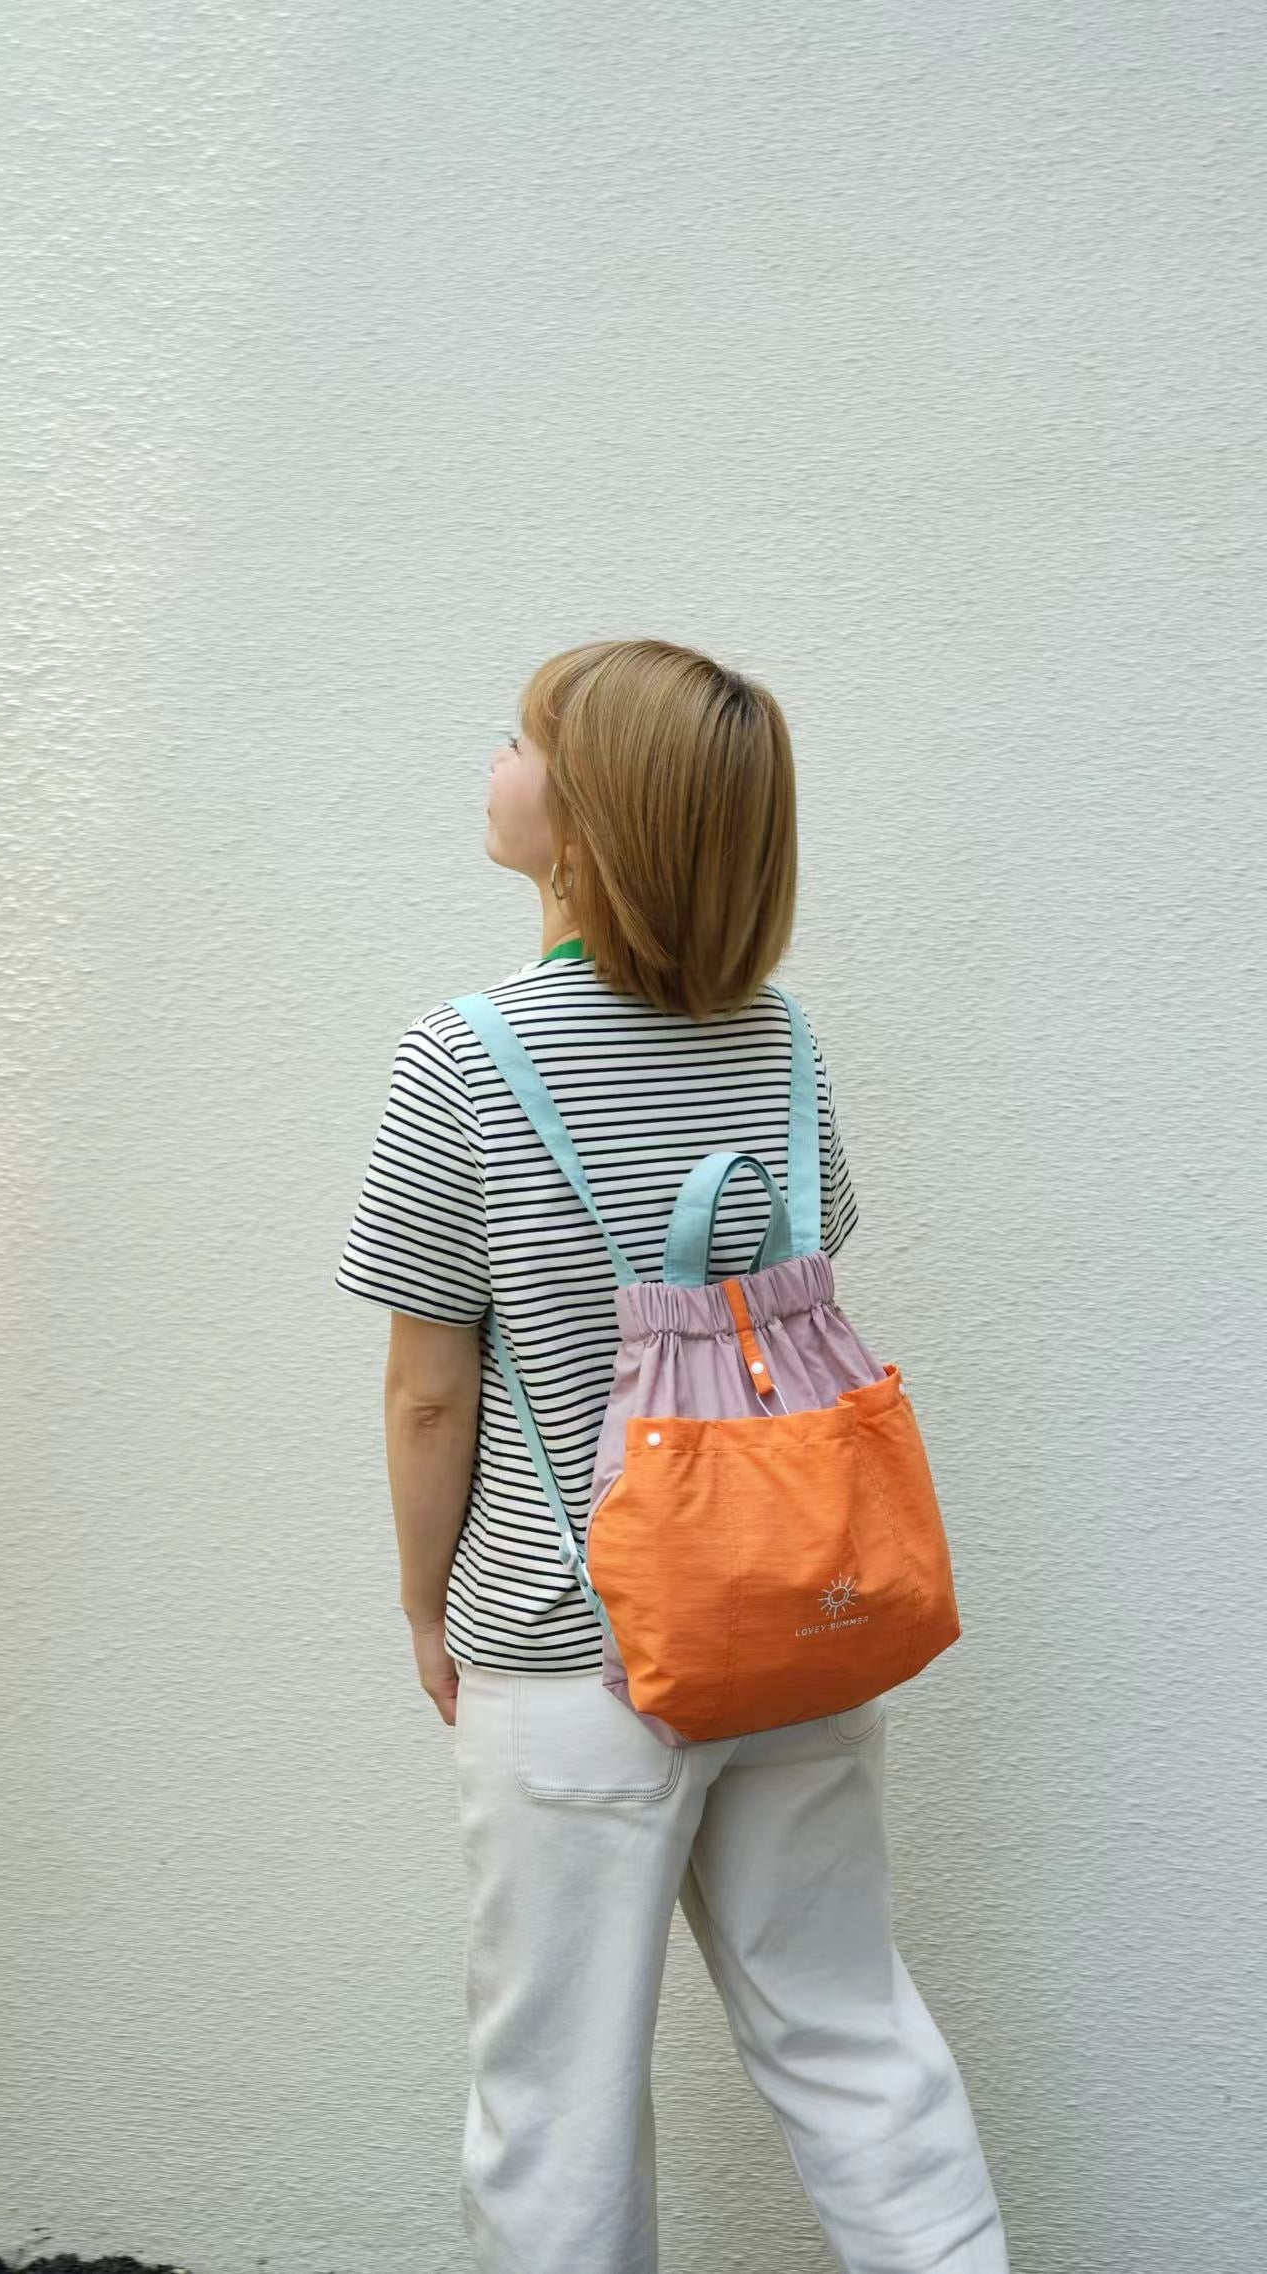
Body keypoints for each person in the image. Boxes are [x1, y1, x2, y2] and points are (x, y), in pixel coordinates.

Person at [336, 637, 1009, 2274]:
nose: (489, 755)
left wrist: (431, 1607)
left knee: (554, 2098)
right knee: (854, 2038)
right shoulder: (781, 1049)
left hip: (575, 1646)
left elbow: (434, 1391)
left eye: (518, 738)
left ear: (588, 819)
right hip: (794, 1627)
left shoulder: (466, 1056)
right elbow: (794, 1280)